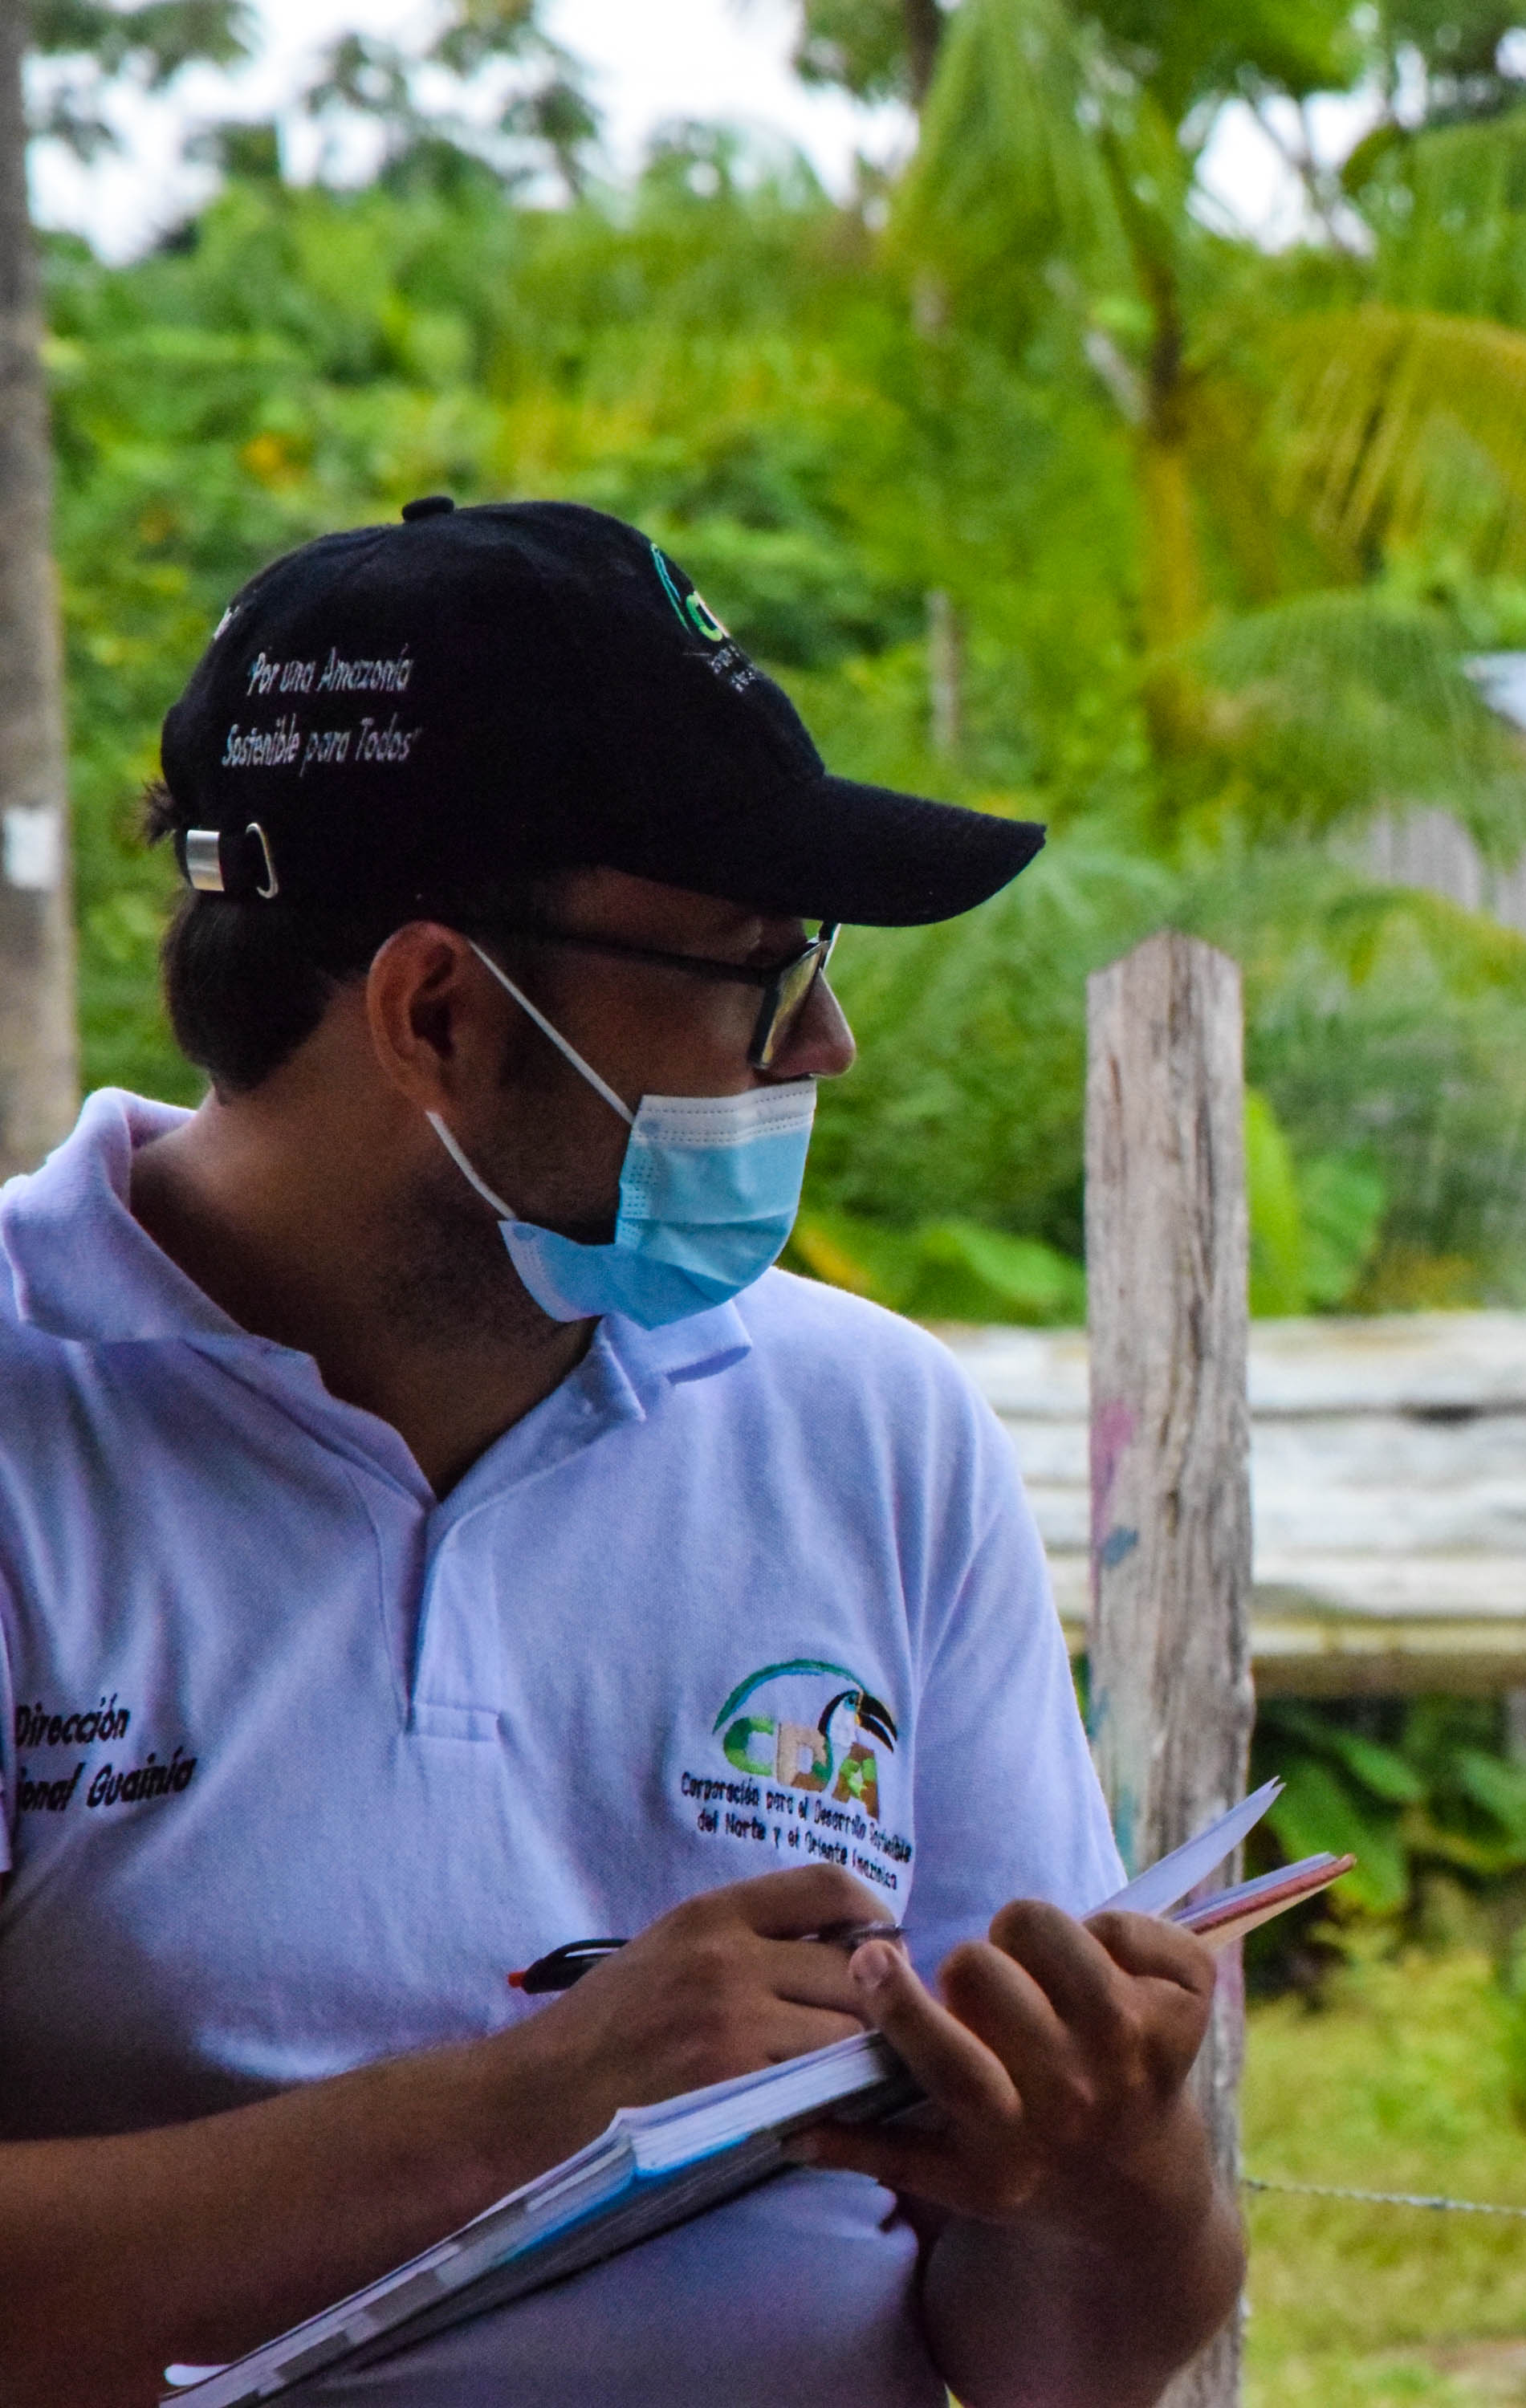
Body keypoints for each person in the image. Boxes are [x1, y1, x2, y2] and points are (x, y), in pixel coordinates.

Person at [0, 498, 1240, 2407]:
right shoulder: (32, 1424)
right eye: (754, 967)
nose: (820, 1043)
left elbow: (1057, 2354)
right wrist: (551, 2101)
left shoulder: (867, 1434)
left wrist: (1110, 2177)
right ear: (439, 1014)